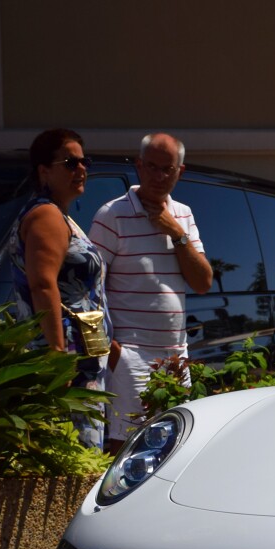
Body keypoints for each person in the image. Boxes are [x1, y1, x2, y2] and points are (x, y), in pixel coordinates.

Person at [88, 132, 213, 451]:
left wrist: (175, 232)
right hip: (130, 354)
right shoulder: (112, 215)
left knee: (174, 449)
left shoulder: (183, 214)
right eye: (152, 167)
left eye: (167, 169)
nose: (159, 176)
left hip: (176, 355)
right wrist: (115, 354)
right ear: (139, 167)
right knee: (124, 449)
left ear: (179, 172)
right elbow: (88, 286)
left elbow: (202, 282)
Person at [8, 128, 109, 449]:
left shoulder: (60, 216)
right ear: (43, 171)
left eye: (84, 161)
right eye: (70, 162)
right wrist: (56, 356)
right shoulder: (46, 215)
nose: (81, 169)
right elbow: (42, 283)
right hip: (66, 366)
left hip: (82, 361)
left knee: (82, 452)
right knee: (73, 452)